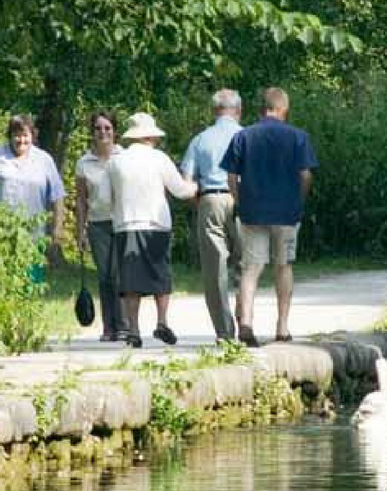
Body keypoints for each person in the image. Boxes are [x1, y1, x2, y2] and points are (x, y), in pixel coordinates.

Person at [222, 87, 318, 347]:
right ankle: (282, 326)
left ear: (261, 109)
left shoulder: (243, 136)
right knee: (283, 265)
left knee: (251, 269)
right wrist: (299, 199)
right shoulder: (299, 137)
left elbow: (231, 176)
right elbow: (306, 175)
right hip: (286, 212)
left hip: (253, 211)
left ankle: (246, 324)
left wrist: (240, 199)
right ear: (284, 109)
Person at [107, 112, 197, 348]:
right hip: (156, 224)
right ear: (150, 137)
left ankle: (134, 329)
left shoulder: (115, 162)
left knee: (130, 279)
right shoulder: (159, 158)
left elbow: (107, 199)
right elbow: (180, 190)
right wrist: (196, 187)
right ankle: (162, 321)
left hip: (127, 224)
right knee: (160, 274)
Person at [179, 89, 245, 342]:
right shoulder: (245, 136)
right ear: (238, 111)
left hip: (210, 199)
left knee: (214, 270)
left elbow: (187, 182)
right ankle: (245, 322)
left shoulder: (200, 139)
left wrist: (202, 200)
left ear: (214, 110)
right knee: (246, 266)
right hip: (243, 200)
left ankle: (225, 333)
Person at [0, 114, 65, 281]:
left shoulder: (44, 160)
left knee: (30, 285)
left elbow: (57, 197)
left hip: (33, 237)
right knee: (0, 284)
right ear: (10, 136)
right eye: (16, 135)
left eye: (25, 135)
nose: (21, 140)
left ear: (32, 135)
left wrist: (56, 231)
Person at [74, 112, 124, 341]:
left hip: (122, 222)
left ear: (114, 130)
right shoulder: (84, 163)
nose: (103, 132)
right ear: (92, 132)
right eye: (98, 128)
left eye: (107, 127)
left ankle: (123, 325)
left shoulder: (123, 157)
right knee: (104, 276)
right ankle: (108, 327)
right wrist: (80, 231)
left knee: (119, 274)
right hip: (97, 224)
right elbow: (81, 200)